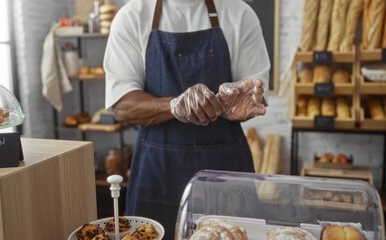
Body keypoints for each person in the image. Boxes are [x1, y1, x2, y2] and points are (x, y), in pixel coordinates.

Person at [104, 0, 270, 239]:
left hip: (225, 169)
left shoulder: (239, 14)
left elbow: (256, 94)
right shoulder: (133, 16)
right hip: (157, 171)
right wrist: (174, 106)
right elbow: (122, 105)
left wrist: (243, 101)